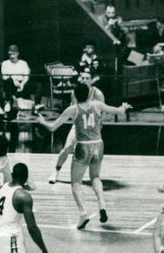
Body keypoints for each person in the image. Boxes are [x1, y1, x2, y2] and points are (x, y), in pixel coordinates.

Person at [38, 83, 132, 229]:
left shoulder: (73, 109)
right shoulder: (97, 105)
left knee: (76, 182)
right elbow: (119, 112)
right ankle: (102, 205)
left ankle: (83, 214)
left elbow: (52, 127)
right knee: (95, 177)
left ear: (74, 95)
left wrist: (42, 121)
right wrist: (124, 106)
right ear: (89, 94)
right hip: (98, 144)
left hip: (83, 146)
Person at [47, 69, 105, 185]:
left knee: (93, 154)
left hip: (92, 128)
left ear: (91, 80)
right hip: (79, 126)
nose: (83, 80)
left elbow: (103, 111)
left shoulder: (97, 94)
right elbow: (73, 108)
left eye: (86, 78)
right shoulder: (75, 92)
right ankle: (56, 171)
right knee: (67, 148)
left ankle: (90, 177)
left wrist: (99, 123)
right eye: (82, 78)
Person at [1, 44, 39, 111]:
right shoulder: (5, 63)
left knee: (38, 85)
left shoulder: (23, 63)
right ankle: (8, 102)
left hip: (22, 84)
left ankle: (37, 105)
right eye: (10, 54)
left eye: (14, 54)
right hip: (11, 85)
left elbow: (26, 75)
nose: (12, 56)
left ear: (17, 54)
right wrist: (14, 80)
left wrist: (22, 84)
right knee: (8, 81)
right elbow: (4, 76)